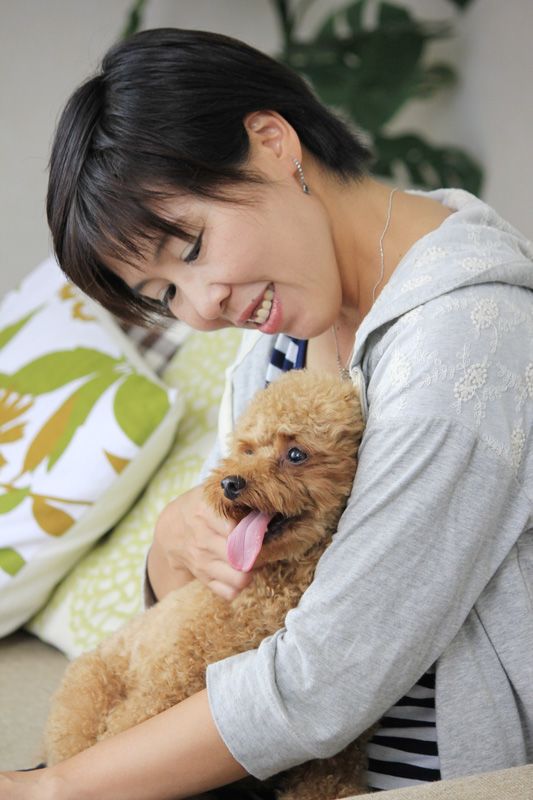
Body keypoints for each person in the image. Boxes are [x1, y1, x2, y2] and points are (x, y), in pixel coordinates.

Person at [2, 26, 532, 800]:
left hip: (401, 780)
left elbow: (324, 678)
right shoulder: (281, 336)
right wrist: (173, 539)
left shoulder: (466, 340)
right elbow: (216, 606)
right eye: (165, 295)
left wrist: (49, 790)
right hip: (259, 759)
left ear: (273, 143)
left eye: (190, 248)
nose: (202, 307)